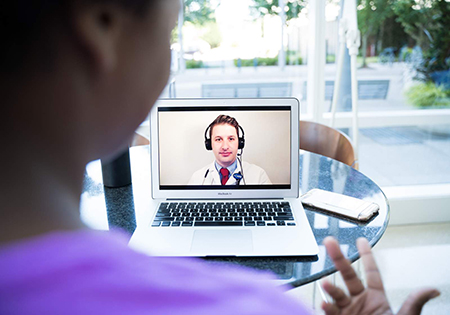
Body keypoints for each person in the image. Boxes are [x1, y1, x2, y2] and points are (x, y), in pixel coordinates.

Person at [0, 0, 439, 314]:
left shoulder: (263, 176)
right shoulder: (254, 306)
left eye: (233, 138)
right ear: (101, 24)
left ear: (239, 144)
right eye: (170, 31)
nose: (225, 145)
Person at [188, 115, 272, 185]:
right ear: (210, 144)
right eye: (218, 139)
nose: (225, 147)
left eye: (231, 139)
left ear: (239, 143)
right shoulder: (197, 178)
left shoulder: (259, 175)